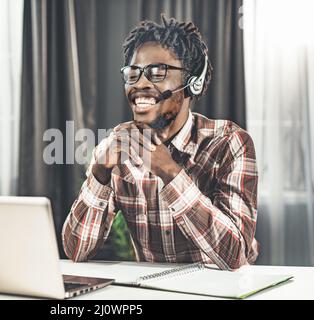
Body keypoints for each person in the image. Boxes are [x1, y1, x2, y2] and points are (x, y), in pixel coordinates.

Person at [62, 14, 259, 270]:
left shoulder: (230, 142)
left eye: (157, 72)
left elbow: (235, 256)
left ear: (193, 84)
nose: (140, 84)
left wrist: (170, 172)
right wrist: (99, 172)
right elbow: (77, 251)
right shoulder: (118, 150)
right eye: (133, 74)